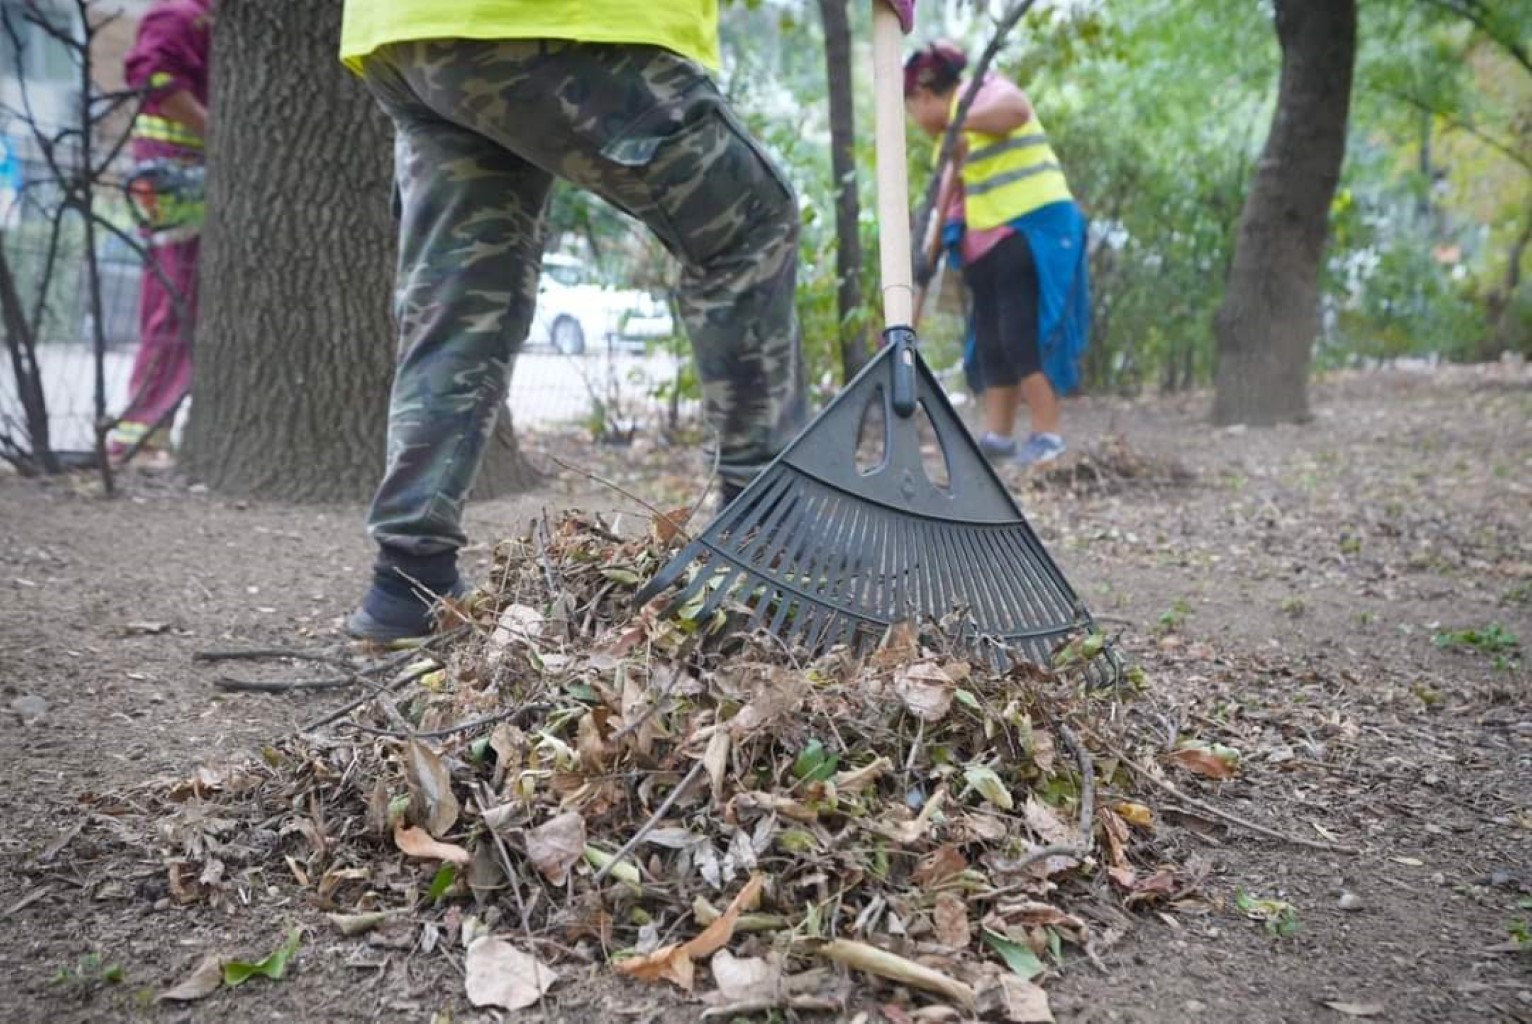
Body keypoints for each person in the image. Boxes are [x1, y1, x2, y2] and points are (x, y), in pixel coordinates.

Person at [337, 0, 913, 642]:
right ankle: (765, 525)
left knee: (466, 294)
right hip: (553, 21)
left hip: (408, 31)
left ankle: (409, 578)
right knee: (748, 218)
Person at [905, 41, 1089, 467]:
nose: (914, 119)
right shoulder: (947, 142)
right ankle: (999, 437)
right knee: (990, 342)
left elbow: (1016, 111)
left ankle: (1048, 434)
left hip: (1029, 228)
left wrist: (959, 122)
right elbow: (950, 198)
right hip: (985, 245)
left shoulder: (983, 91)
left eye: (911, 108)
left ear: (926, 95)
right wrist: (928, 254)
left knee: (1021, 335)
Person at [108, 0, 212, 457]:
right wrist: (220, 133)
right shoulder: (179, 14)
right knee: (175, 299)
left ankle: (153, 427)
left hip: (190, 177)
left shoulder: (203, 15)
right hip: (176, 182)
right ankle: (142, 431)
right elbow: (156, 79)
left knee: (184, 298)